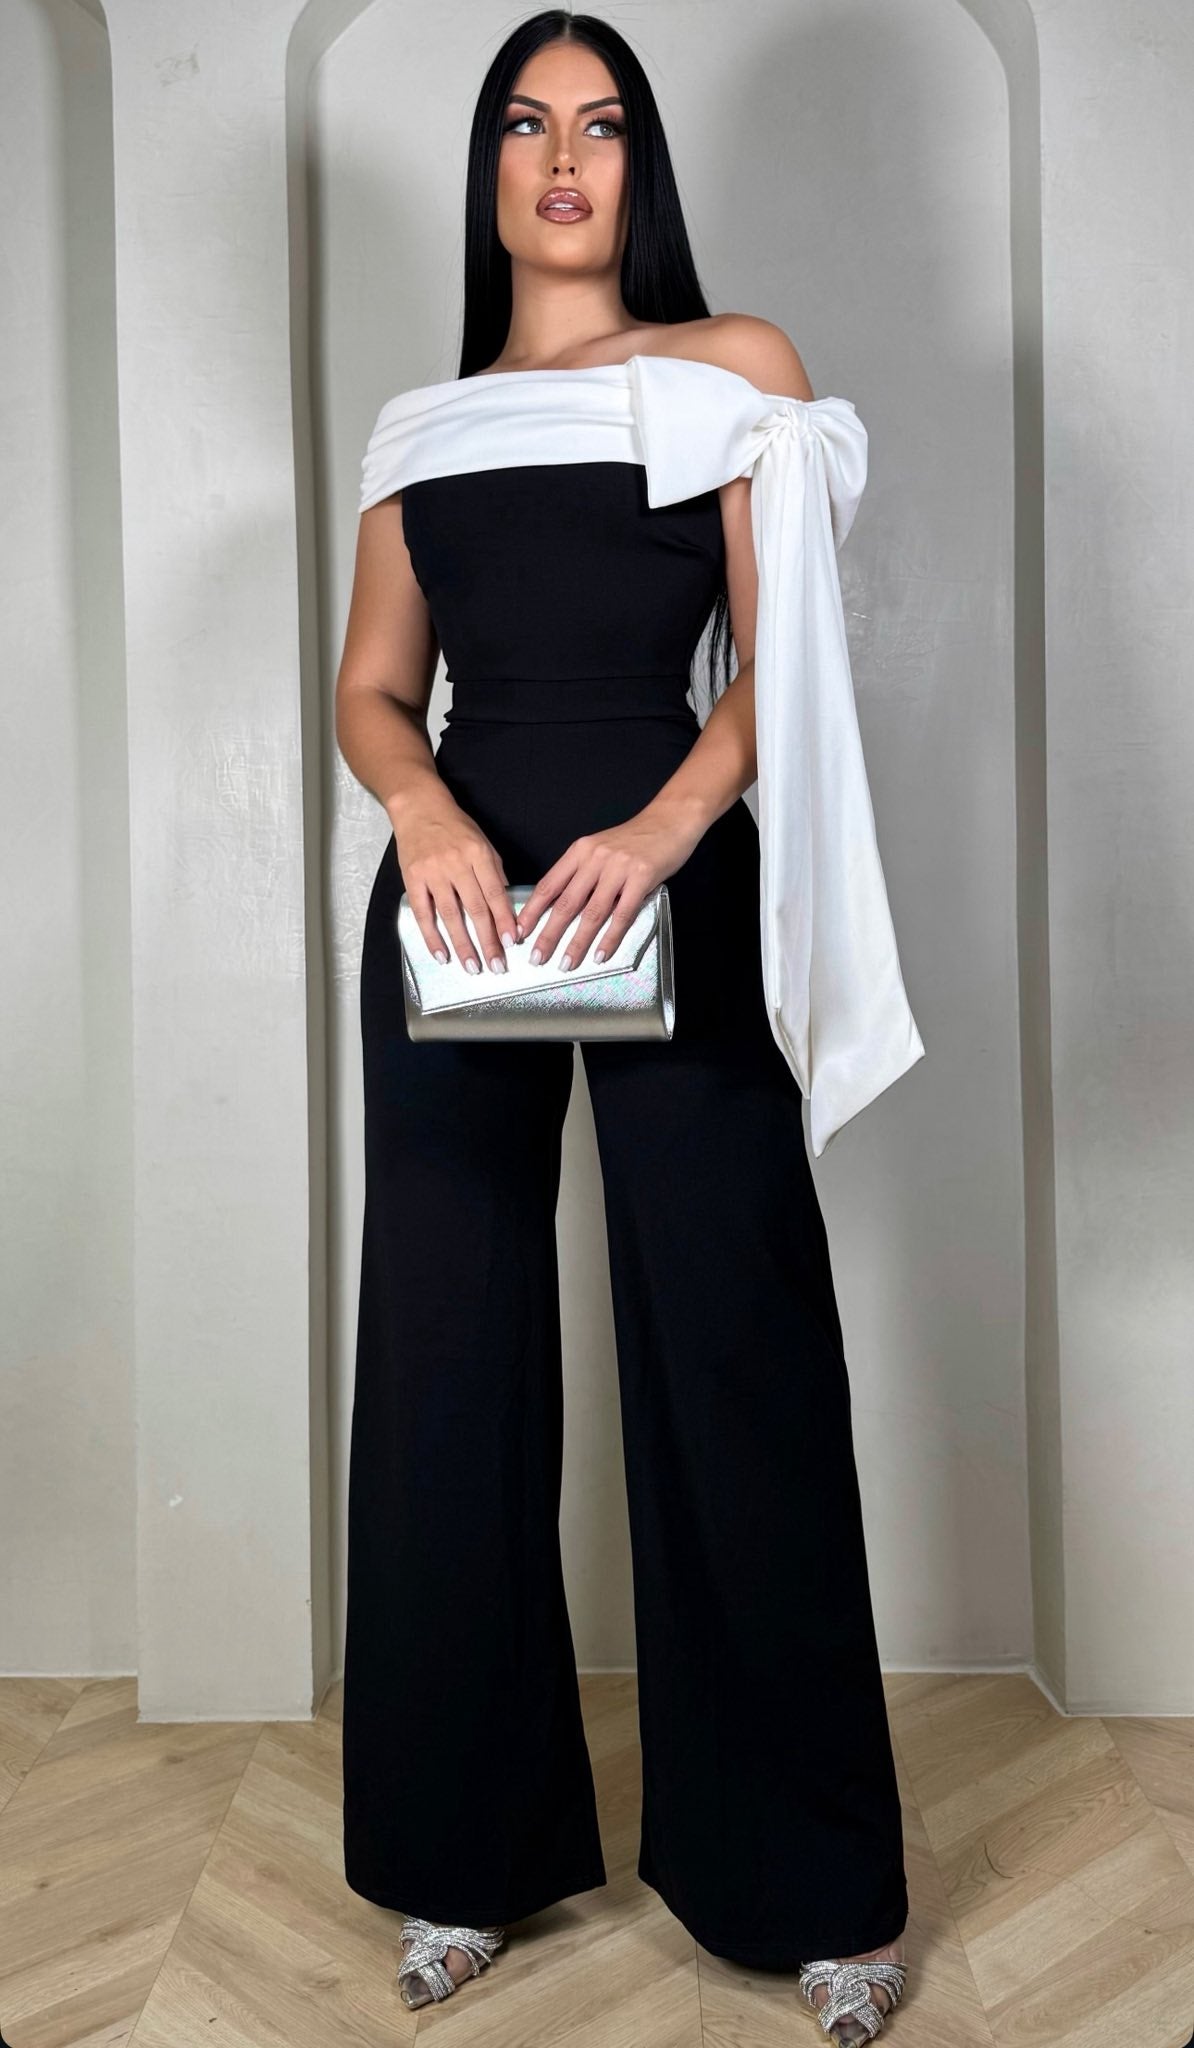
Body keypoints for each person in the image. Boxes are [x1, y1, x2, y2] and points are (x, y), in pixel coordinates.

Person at [334, 11, 923, 2042]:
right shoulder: (418, 427)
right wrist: (424, 814)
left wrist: (665, 829)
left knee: (732, 1343)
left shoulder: (734, 365)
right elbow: (373, 686)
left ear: (637, 166)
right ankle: (461, 1854)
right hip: (452, 915)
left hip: (671, 876)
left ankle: (812, 1883)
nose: (562, 156)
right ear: (489, 169)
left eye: (599, 124)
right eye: (526, 122)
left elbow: (781, 660)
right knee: (445, 1371)